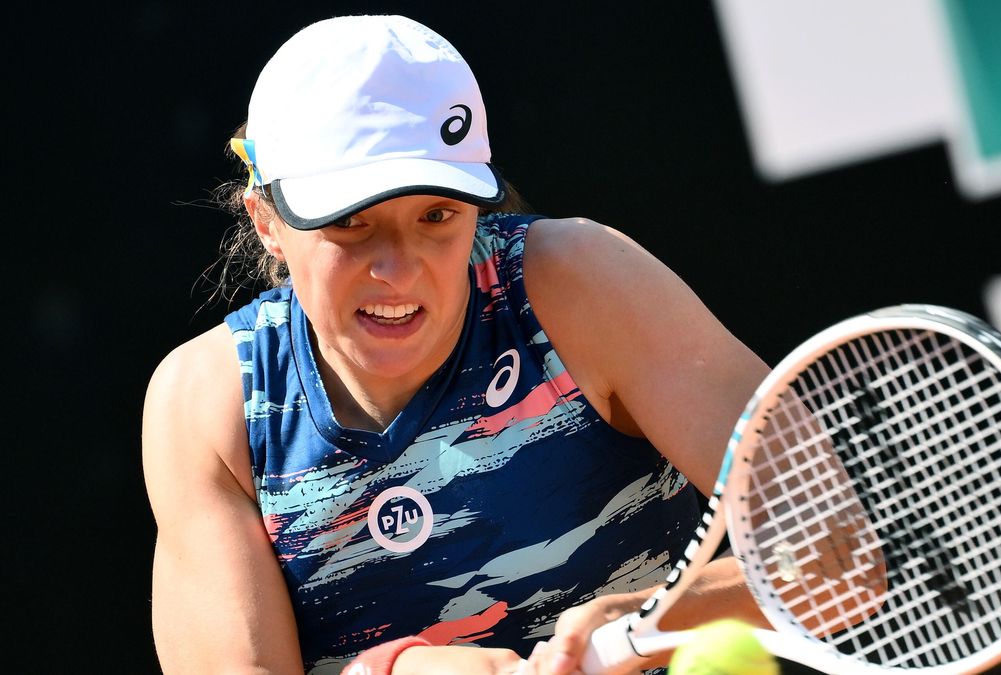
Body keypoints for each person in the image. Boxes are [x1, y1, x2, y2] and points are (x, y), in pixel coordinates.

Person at [142, 14, 772, 675]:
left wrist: (645, 623)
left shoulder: (585, 283)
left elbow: (830, 547)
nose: (398, 270)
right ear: (266, 221)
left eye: (437, 215)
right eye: (351, 223)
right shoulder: (206, 404)